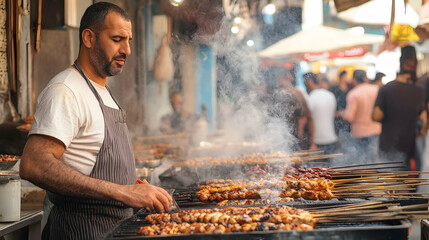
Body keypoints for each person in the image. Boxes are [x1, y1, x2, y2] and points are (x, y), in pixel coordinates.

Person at [19, 3, 172, 239]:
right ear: (89, 38)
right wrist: (122, 192)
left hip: (111, 231)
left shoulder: (102, 90)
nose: (127, 50)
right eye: (117, 39)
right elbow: (33, 164)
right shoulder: (66, 90)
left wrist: (132, 186)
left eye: (129, 40)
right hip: (80, 231)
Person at [372, 45, 427, 170]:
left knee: (390, 186)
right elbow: (423, 125)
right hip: (409, 149)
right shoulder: (420, 91)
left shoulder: (386, 88)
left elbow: (376, 116)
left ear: (401, 64)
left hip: (388, 146)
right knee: (407, 185)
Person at [340, 70, 381, 164]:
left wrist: (342, 113)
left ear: (354, 80)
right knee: (375, 161)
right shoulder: (377, 89)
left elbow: (349, 117)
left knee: (362, 161)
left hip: (360, 133)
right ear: (365, 78)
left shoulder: (354, 94)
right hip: (376, 130)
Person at [276, 70, 315, 150]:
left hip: (298, 138)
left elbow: (306, 117)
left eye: (279, 79)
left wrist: (302, 134)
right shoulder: (297, 92)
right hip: (287, 138)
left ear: (281, 79)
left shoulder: (296, 93)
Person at [304, 72, 338, 157]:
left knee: (319, 168)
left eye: (305, 82)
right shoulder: (330, 95)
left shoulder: (311, 98)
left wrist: (312, 143)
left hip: (318, 141)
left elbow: (310, 119)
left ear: (309, 81)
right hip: (331, 138)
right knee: (330, 168)